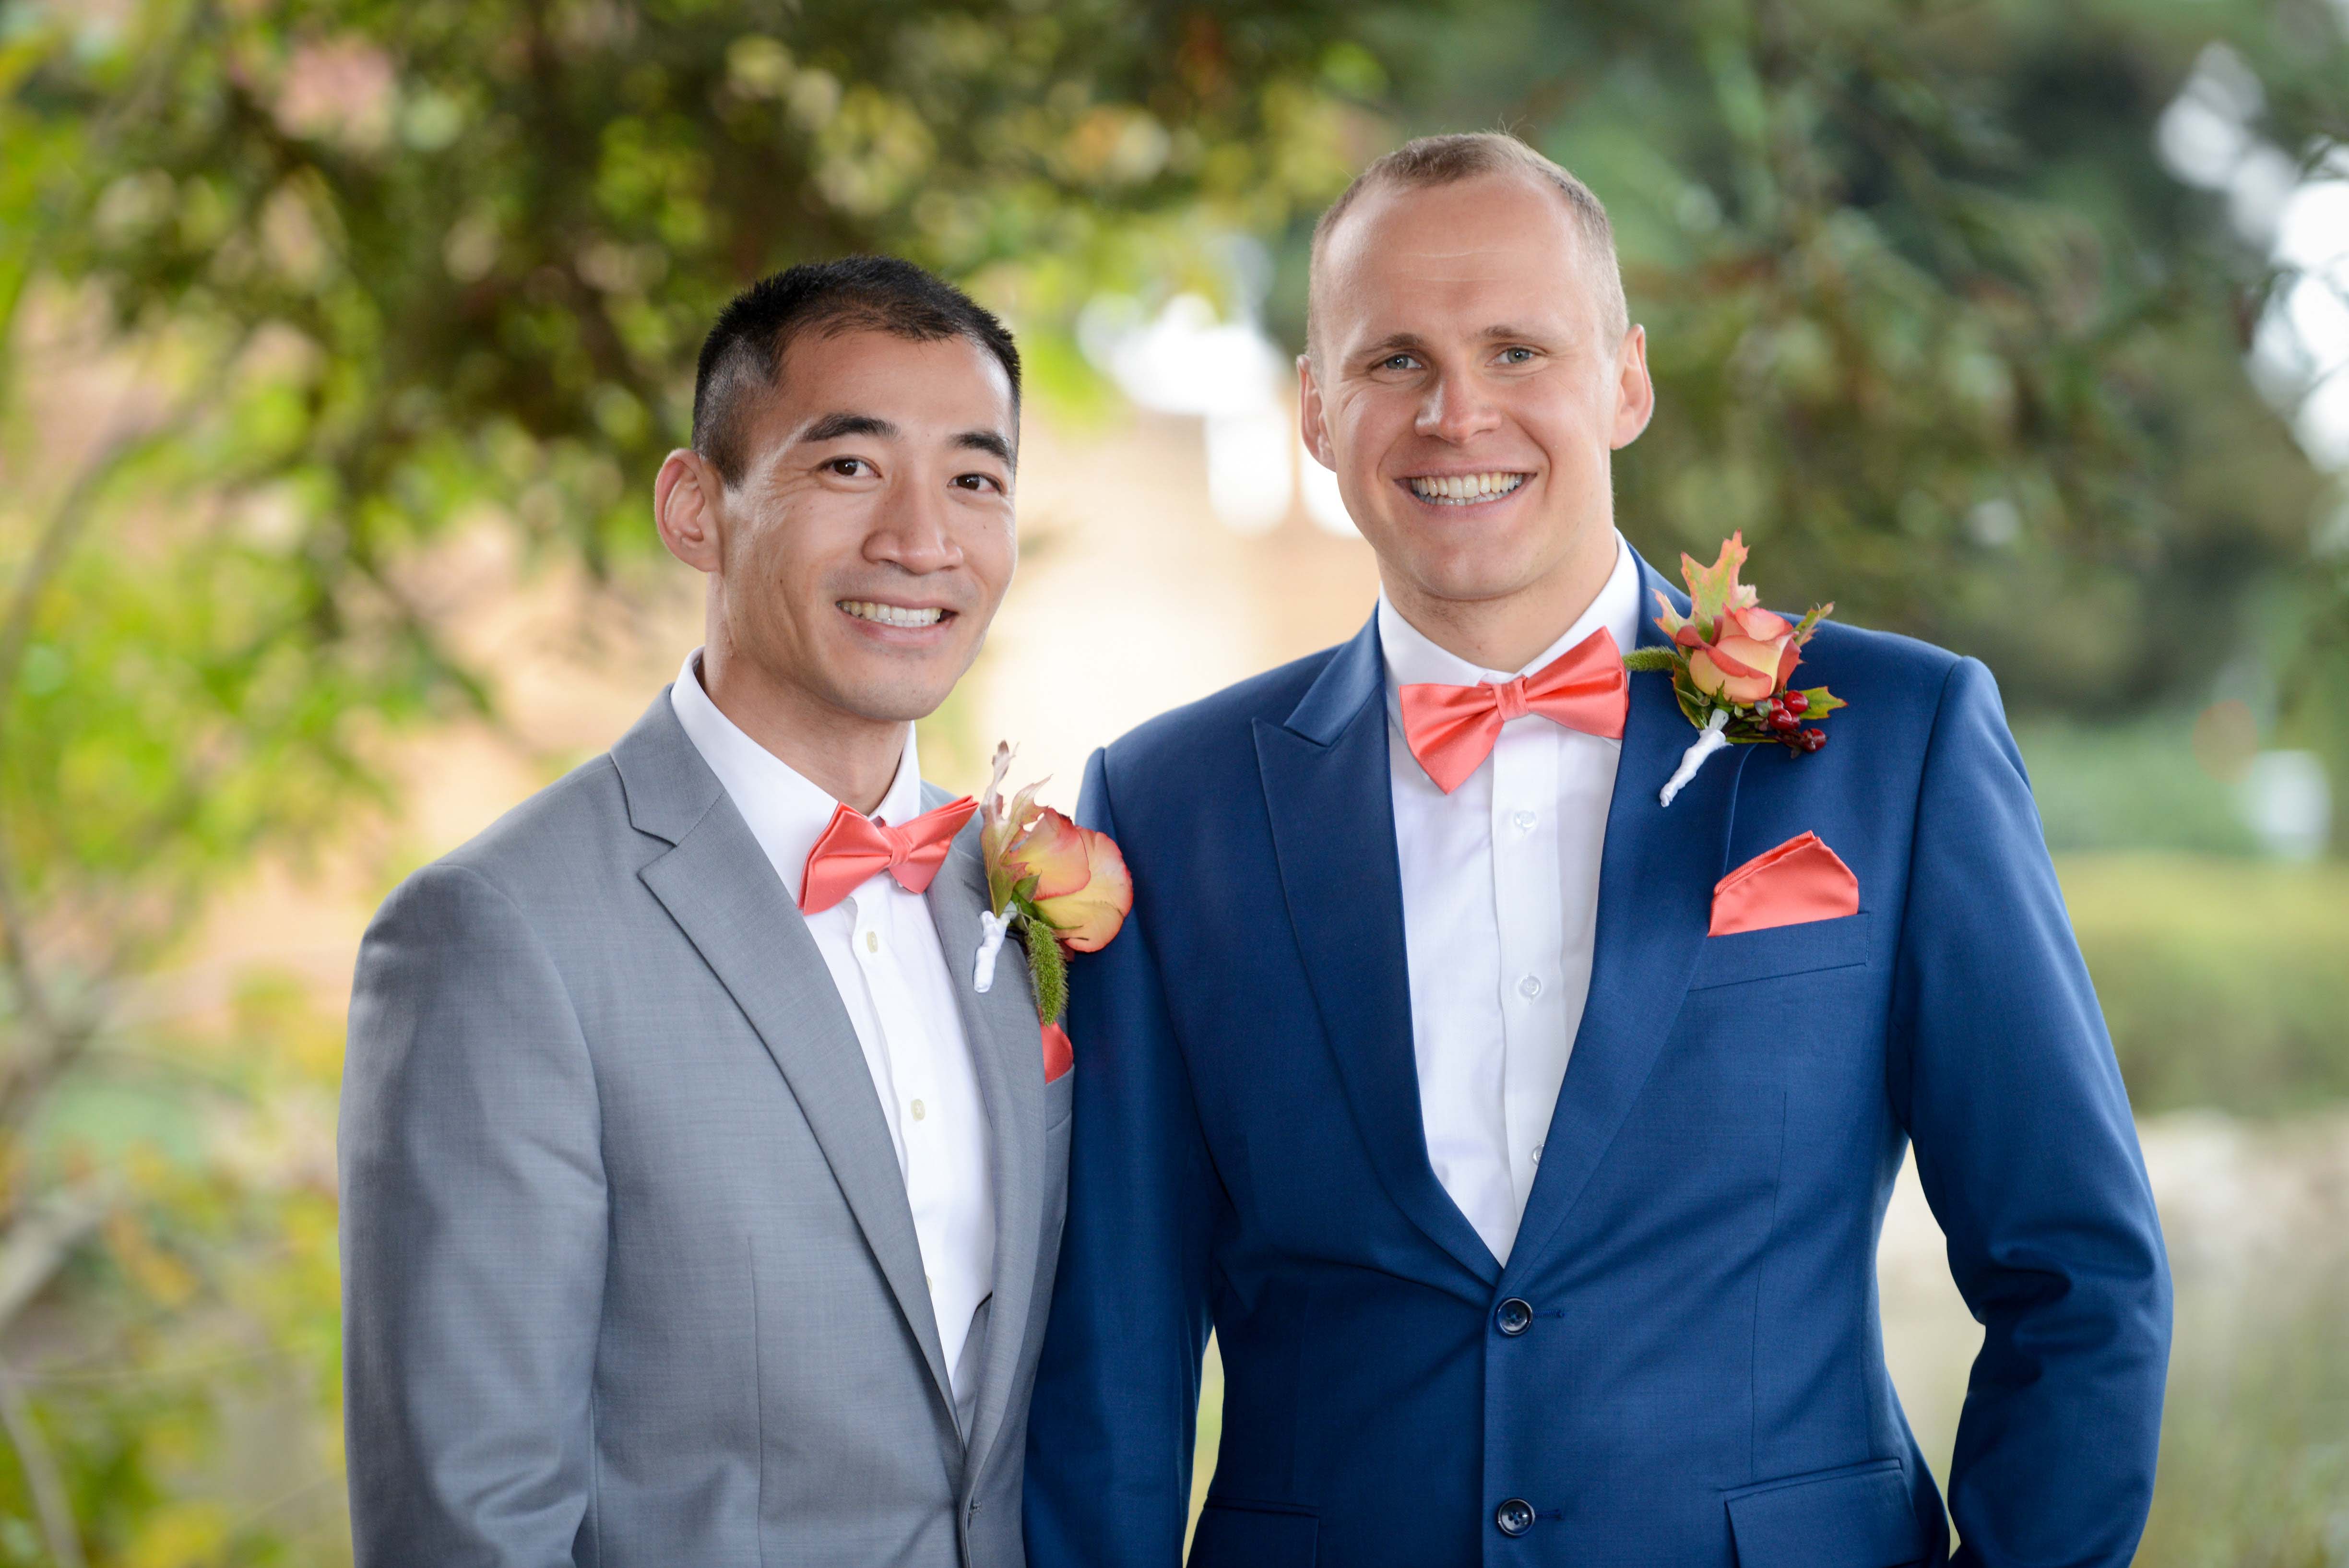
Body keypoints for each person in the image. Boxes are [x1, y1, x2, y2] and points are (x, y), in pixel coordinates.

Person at [1023, 133, 2170, 1567]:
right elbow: (1115, 1359)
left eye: (1517, 350)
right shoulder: (1170, 801)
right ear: (1315, 413)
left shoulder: (1900, 739)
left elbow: (2078, 1273)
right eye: (1393, 363)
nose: (1457, 412)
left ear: (1626, 380)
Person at [340, 255, 1073, 1568]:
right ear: (697, 507)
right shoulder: (498, 935)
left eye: (975, 478)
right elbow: (466, 1521)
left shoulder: (1016, 906)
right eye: (848, 467)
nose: (922, 537)